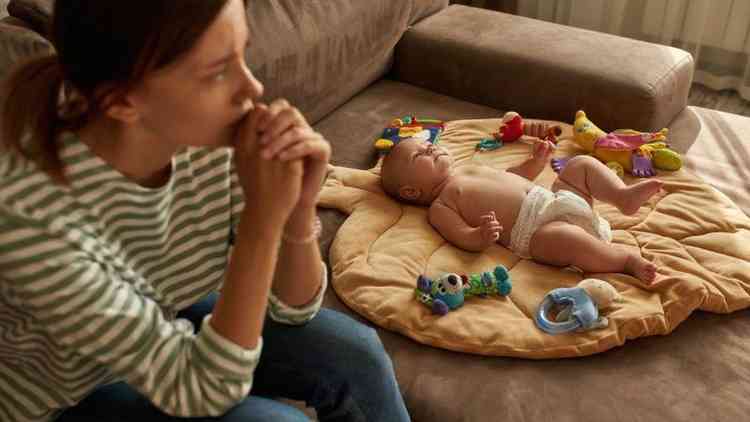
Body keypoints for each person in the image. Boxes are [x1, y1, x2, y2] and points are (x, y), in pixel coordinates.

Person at [0, 1, 410, 421]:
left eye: (242, 53)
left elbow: (293, 307)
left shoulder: (211, 140)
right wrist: (261, 223)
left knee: (356, 355)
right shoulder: (29, 220)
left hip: (160, 314)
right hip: (66, 397)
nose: (252, 88)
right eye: (217, 71)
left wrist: (297, 208)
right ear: (122, 102)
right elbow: (200, 390)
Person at [380, 137, 661, 283]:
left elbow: (511, 176)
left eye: (428, 145)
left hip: (554, 200)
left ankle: (622, 196)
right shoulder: (441, 206)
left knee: (580, 166)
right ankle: (624, 261)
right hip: (536, 231)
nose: (431, 148)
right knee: (562, 238)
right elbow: (461, 236)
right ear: (411, 191)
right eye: (420, 155)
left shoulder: (466, 167)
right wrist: (480, 235)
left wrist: (534, 164)